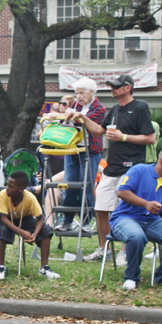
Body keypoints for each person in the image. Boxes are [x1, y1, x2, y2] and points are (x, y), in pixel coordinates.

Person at [65, 74, 156, 262]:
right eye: (111, 86)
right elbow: (99, 130)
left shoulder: (140, 107)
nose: (112, 89)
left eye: (116, 86)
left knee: (127, 210)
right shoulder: (115, 109)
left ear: (128, 87)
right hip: (111, 167)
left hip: (131, 168)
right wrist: (82, 116)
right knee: (101, 208)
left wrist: (124, 137)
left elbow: (150, 138)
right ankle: (104, 249)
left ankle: (124, 251)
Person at [108, 149, 162, 290]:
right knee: (136, 236)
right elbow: (122, 192)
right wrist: (145, 204)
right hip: (125, 218)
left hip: (151, 221)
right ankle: (131, 277)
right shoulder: (139, 170)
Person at [55, 77, 106, 233]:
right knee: (70, 184)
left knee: (87, 185)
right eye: (76, 93)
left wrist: (79, 117)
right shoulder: (76, 105)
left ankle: (85, 221)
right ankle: (67, 220)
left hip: (91, 151)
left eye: (82, 93)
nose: (78, 96)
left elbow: (92, 126)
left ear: (91, 92)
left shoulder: (99, 108)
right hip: (72, 149)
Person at [0, 170, 59, 281]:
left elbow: (40, 218)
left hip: (25, 219)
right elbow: (3, 219)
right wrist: (21, 232)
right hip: (8, 220)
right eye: (7, 184)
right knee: (2, 229)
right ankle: (1, 267)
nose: (7, 188)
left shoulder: (30, 197)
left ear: (21, 188)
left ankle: (44, 267)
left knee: (46, 230)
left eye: (11, 186)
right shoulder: (3, 195)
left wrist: (35, 234)